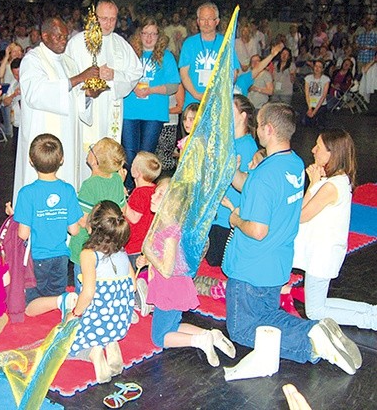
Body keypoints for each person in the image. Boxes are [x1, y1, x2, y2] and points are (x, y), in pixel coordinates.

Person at [223, 102, 362, 375]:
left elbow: (258, 230)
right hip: (276, 264)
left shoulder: (265, 175)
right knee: (268, 317)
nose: (256, 128)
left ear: (269, 129)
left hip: (252, 265)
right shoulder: (293, 163)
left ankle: (311, 340)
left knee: (243, 329)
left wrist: (236, 219)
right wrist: (229, 172)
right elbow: (251, 186)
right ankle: (315, 331)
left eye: (259, 123)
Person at [137, 178, 236, 366]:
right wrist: (148, 258)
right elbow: (166, 258)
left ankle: (198, 341)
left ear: (172, 203)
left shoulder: (170, 231)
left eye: (160, 194)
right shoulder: (165, 224)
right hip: (172, 285)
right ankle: (210, 335)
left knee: (160, 338)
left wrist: (149, 252)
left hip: (169, 287)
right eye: (155, 191)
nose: (153, 195)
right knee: (172, 325)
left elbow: (166, 270)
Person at [294, 130, 377, 330]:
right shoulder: (336, 180)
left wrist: (312, 184)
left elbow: (301, 216)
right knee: (318, 304)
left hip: (322, 255)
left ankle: (371, 320)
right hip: (322, 251)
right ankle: (372, 313)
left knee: (315, 311)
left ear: (332, 154)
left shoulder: (331, 186)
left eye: (318, 147)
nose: (313, 150)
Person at [13, 17, 99, 201]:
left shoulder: (68, 62)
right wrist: (79, 78)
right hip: (44, 134)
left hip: (68, 138)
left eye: (65, 37)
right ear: (45, 36)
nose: (63, 41)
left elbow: (74, 98)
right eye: (59, 36)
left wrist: (88, 95)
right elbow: (36, 93)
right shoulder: (32, 60)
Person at [65, 0, 143, 181]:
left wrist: (114, 75)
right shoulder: (77, 43)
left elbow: (135, 71)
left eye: (113, 19)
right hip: (85, 107)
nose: (108, 24)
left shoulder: (120, 44)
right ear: (94, 18)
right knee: (84, 152)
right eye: (104, 18)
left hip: (110, 106)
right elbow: (68, 75)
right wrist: (86, 88)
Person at [67, 200, 135, 384]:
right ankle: (111, 344)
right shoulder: (121, 251)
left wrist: (74, 314)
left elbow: (88, 293)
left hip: (96, 320)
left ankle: (94, 352)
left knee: (64, 341)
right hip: (120, 322)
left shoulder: (89, 254)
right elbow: (133, 285)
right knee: (103, 318)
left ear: (92, 225)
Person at [14, 134, 83, 308]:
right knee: (56, 300)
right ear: (61, 160)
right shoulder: (68, 190)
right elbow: (74, 230)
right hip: (61, 257)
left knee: (31, 305)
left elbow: (23, 234)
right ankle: (62, 304)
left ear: (31, 161)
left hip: (37, 257)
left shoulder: (26, 193)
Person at [122, 18, 180, 190]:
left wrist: (151, 90)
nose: (148, 38)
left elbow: (173, 86)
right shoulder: (130, 54)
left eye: (153, 34)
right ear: (139, 35)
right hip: (130, 111)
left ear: (158, 36)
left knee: (146, 155)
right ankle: (130, 189)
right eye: (145, 33)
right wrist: (132, 88)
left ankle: (142, 191)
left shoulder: (166, 56)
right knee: (129, 153)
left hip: (153, 113)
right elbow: (121, 77)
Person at [206, 95, 258, 267]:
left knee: (217, 263)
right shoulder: (229, 142)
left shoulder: (247, 147)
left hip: (227, 217)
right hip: (216, 214)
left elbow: (248, 185)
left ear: (243, 116)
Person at [69, 138, 127, 293]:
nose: (90, 149)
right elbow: (124, 211)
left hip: (86, 245)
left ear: (94, 161)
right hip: (108, 244)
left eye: (92, 148)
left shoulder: (90, 185)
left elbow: (82, 220)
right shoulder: (116, 179)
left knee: (83, 284)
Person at [178, 2, 238, 108]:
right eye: (202, 19)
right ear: (197, 21)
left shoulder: (226, 43)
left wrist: (219, 92)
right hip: (193, 102)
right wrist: (196, 95)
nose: (206, 23)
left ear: (217, 21)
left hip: (218, 102)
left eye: (210, 19)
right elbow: (184, 74)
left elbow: (233, 72)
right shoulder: (189, 43)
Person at [124, 152, 161, 265]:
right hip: (148, 247)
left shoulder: (139, 193)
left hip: (133, 246)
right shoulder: (156, 190)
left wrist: (121, 195)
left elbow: (134, 218)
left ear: (136, 173)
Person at [303, 60, 330, 128]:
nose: (317, 68)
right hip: (310, 104)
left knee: (319, 125)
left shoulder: (326, 79)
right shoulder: (308, 78)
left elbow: (323, 96)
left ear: (322, 69)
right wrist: (310, 108)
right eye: (316, 66)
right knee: (306, 123)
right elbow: (307, 94)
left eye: (320, 67)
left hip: (320, 105)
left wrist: (314, 111)